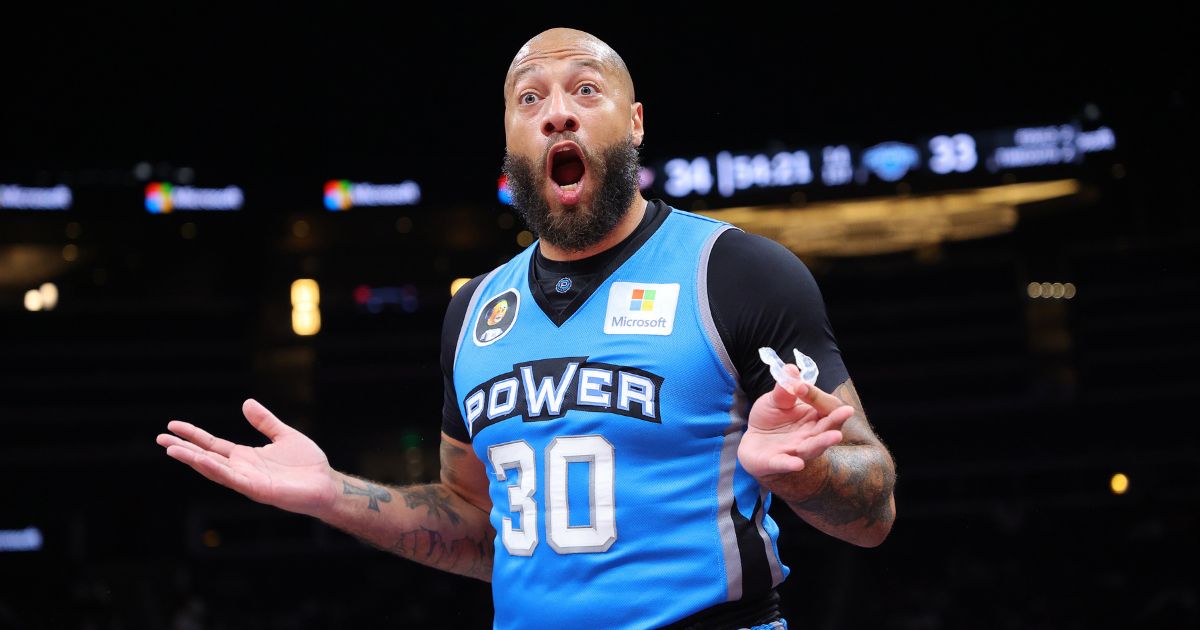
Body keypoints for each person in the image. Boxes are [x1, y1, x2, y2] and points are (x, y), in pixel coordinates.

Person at [156, 27, 896, 629]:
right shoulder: (473, 311)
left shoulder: (736, 271)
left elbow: (873, 512)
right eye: (529, 97)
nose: (557, 112)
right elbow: (476, 524)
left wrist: (808, 474)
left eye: (585, 88)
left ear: (634, 123)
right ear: (511, 142)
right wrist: (331, 495)